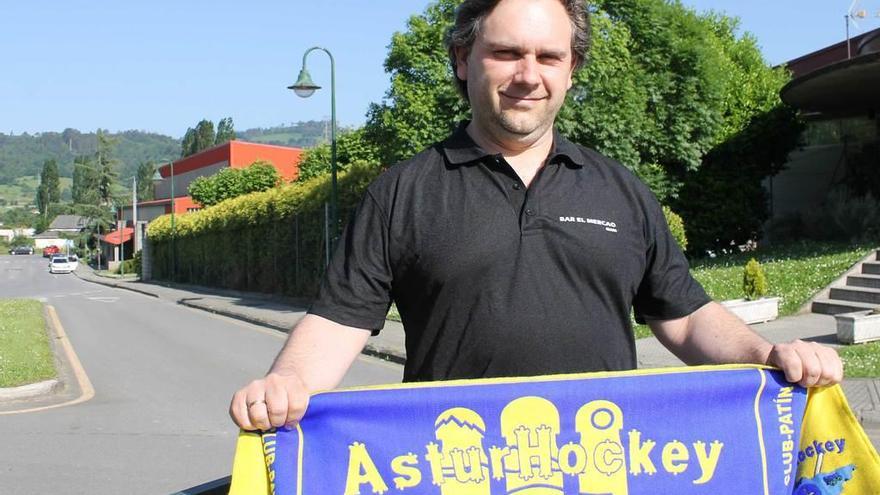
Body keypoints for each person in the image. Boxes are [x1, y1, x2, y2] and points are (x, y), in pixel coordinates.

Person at [230, 0, 843, 432]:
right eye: (507, 53)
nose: (529, 75)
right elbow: (339, 323)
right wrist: (287, 387)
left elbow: (683, 318)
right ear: (464, 59)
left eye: (549, 56)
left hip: (603, 466)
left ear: (571, 71)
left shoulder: (621, 191)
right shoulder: (402, 193)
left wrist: (767, 356)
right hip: (455, 468)